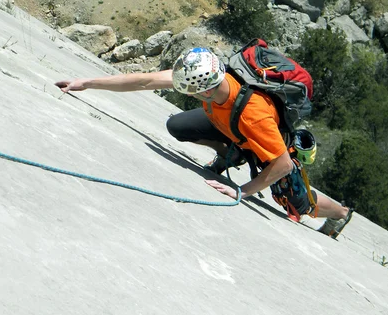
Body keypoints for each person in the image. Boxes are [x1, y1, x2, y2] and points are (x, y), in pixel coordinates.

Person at [56, 47, 353, 237]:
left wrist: (243, 189)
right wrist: (87, 83)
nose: (188, 94)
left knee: (297, 203)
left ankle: (340, 213)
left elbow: (283, 164)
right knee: (179, 125)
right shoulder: (206, 75)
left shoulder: (254, 116)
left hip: (262, 143)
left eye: (192, 93)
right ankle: (230, 153)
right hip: (232, 128)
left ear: (206, 91)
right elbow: (145, 80)